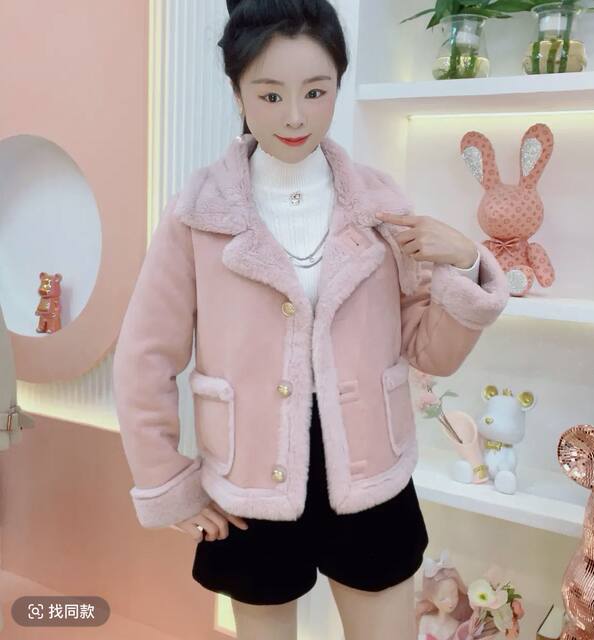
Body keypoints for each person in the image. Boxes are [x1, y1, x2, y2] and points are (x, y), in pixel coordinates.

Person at [112, 1, 510, 638]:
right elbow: (144, 357)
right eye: (270, 95)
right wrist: (166, 480)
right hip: (250, 482)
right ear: (237, 92)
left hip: (371, 474)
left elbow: (430, 352)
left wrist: (465, 266)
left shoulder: (382, 205)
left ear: (338, 86)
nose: (295, 116)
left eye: (315, 92)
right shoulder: (198, 213)